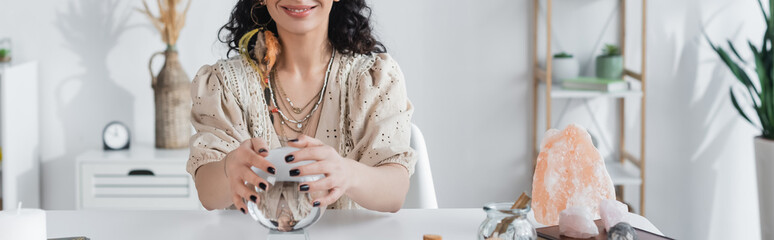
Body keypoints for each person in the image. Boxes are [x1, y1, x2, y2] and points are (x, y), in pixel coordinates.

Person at [186, 0, 416, 216]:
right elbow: (208, 195)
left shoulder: (374, 79)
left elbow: (395, 193)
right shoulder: (225, 83)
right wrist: (229, 168)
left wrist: (347, 173)